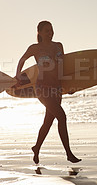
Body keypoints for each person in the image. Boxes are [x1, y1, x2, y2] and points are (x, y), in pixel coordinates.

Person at [15, 20, 81, 164]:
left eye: (51, 30)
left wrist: (68, 86)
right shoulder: (35, 48)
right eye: (47, 31)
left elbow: (64, 68)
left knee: (48, 122)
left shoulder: (58, 46)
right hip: (42, 88)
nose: (50, 33)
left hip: (56, 88)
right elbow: (22, 59)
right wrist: (18, 75)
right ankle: (69, 153)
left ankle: (36, 147)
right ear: (39, 32)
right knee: (62, 117)